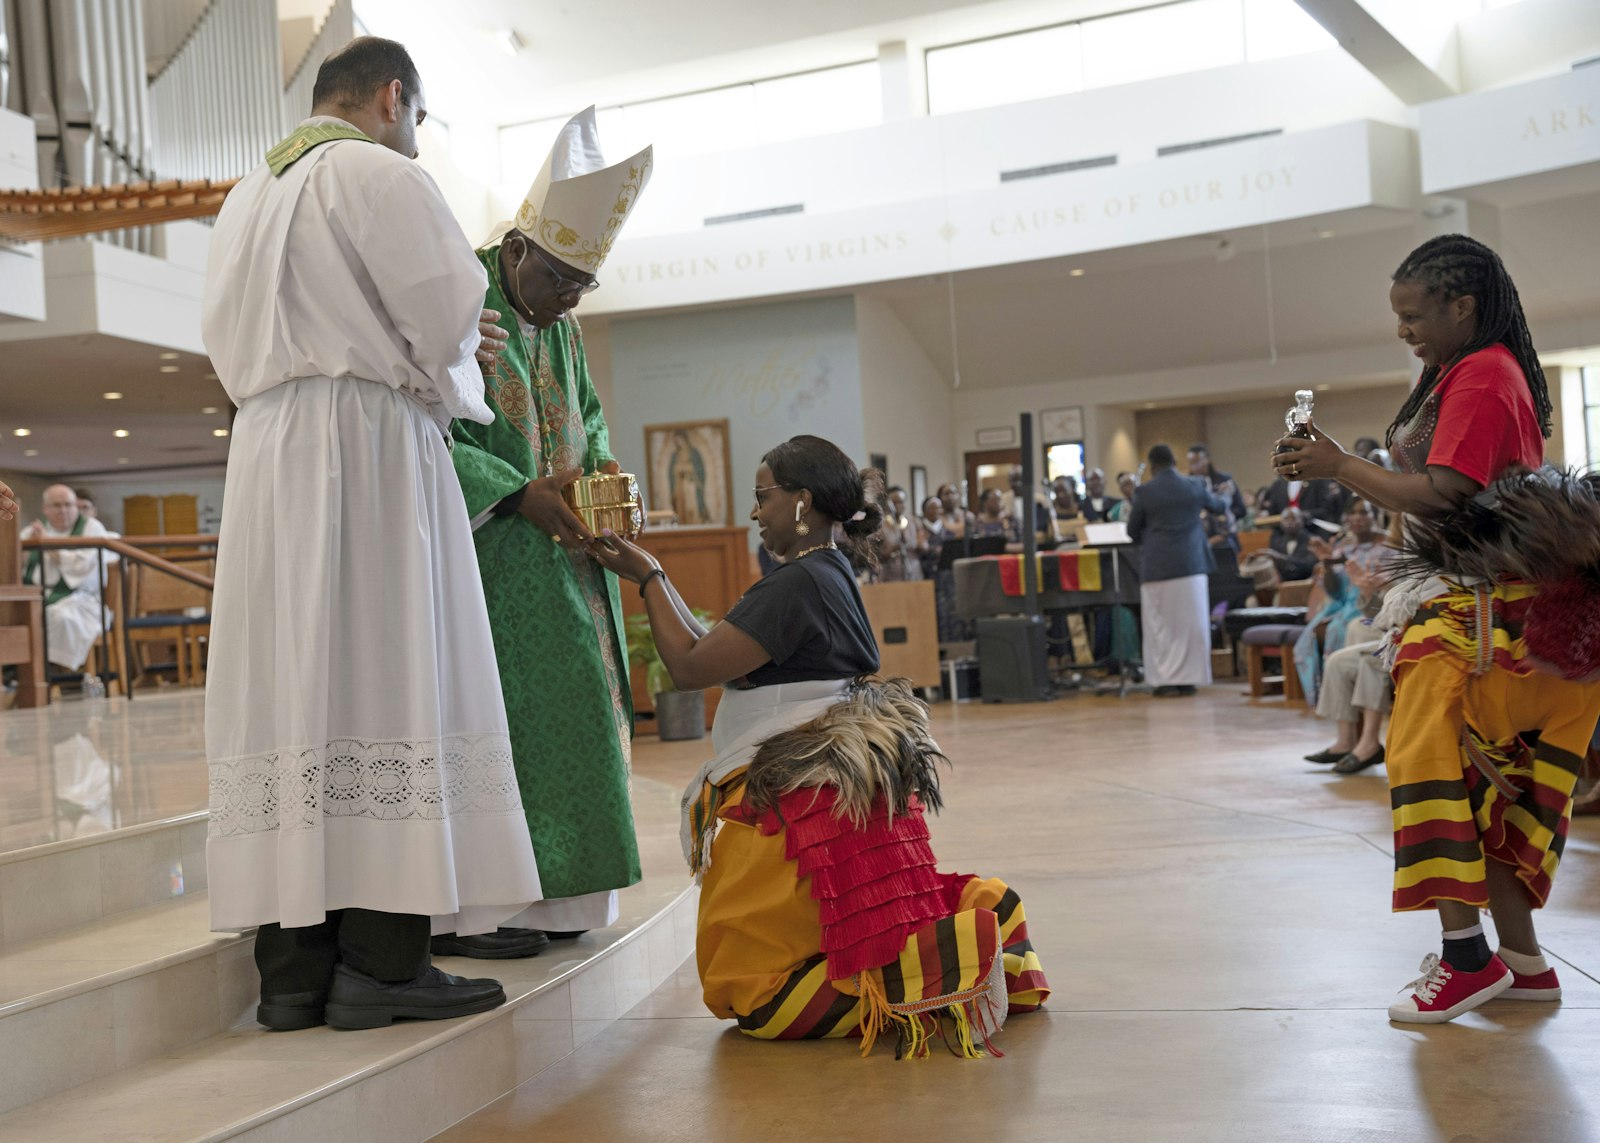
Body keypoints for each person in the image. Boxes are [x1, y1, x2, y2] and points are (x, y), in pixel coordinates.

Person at [201, 37, 542, 1031]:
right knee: (391, 678)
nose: (417, 140)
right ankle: (384, 962)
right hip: (367, 448)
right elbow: (443, 328)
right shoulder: (378, 176)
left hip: (267, 451)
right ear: (395, 99)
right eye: (421, 121)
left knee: (294, 695)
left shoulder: (242, 197)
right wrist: (468, 351)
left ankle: (294, 971)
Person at [589, 435, 1049, 1055]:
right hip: (821, 782)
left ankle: (947, 970)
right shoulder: (822, 572)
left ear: (801, 501)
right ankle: (943, 952)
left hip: (803, 803)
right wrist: (654, 573)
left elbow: (692, 667)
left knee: (758, 997)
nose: (755, 512)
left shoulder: (798, 584)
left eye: (761, 497)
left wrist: (646, 575)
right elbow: (720, 651)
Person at [1274, 233, 1600, 1024]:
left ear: (1464, 305)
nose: (1403, 328)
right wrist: (1337, 461)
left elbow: (1449, 491)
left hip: (1489, 616)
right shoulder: (1458, 369)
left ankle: (1465, 959)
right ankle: (1521, 963)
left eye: (1415, 314)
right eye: (1398, 316)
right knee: (1487, 787)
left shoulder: (1485, 372)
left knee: (1422, 761)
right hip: (1495, 606)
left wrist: (1339, 467)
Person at [444, 105, 652, 953]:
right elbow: (428, 429)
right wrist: (516, 490)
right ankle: (502, 902)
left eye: (583, 285)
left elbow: (591, 420)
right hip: (489, 554)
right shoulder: (460, 295)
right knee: (515, 716)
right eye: (561, 277)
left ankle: (570, 899)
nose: (569, 298)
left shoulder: (562, 324)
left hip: (571, 557)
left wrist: (597, 473)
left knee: (581, 709)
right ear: (520, 250)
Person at [1127, 445, 1226, 697]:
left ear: (1151, 466)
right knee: (1191, 625)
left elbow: (1131, 531)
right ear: (1174, 461)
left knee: (1161, 624)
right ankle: (1189, 680)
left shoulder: (1145, 491)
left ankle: (1164, 680)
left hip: (1157, 566)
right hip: (1191, 565)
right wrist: (1225, 495)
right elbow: (1218, 507)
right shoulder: (1193, 485)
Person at [1290, 499, 1393, 705]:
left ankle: (1348, 700)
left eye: (1363, 513)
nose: (1357, 518)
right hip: (1342, 605)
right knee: (1306, 639)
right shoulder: (1343, 547)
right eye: (1352, 513)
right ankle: (1325, 697)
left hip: (1372, 604)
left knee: (1337, 630)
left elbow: (1392, 585)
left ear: (1374, 515)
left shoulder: (1388, 544)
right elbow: (1335, 591)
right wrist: (1327, 565)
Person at [1304, 555, 1393, 775]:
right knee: (1338, 661)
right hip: (1395, 633)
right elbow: (1379, 617)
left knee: (1370, 658)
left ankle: (1370, 742)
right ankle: (1345, 740)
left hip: (1418, 637)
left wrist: (1391, 585)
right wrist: (1369, 592)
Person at [21, 484, 118, 677]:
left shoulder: (91, 528)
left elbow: (80, 566)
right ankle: (18, 671)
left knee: (59, 618)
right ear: (45, 509)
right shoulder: (32, 532)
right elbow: (15, 566)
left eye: (69, 505)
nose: (63, 510)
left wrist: (47, 543)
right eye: (57, 505)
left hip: (82, 599)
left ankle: (46, 674)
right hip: (38, 596)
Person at [1186, 443, 1245, 551]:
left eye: (1198, 461)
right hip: (1199, 543)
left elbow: (1241, 509)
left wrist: (1223, 517)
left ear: (1207, 459)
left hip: (1225, 541)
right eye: (1191, 463)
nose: (1195, 466)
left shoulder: (1224, 480)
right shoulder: (1187, 486)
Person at [874, 485, 921, 582]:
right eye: (894, 502)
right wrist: (896, 547)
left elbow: (923, 546)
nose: (898, 505)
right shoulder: (880, 525)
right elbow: (877, 555)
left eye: (901, 502)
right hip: (890, 575)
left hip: (913, 573)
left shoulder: (914, 521)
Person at [1007, 467, 1059, 549]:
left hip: (1039, 543)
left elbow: (1049, 523)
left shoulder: (1040, 500)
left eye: (1020, 480)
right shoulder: (1003, 500)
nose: (1017, 484)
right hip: (1014, 544)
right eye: (1014, 480)